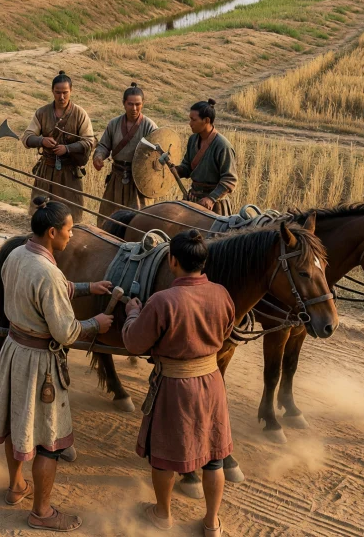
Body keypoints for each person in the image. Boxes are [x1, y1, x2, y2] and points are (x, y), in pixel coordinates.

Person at [0, 197, 113, 532]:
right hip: (40, 364)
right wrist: (96, 324)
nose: (72, 236)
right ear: (53, 232)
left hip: (15, 351)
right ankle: (41, 512)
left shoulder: (15, 254)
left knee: (17, 424)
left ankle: (16, 487)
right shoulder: (49, 273)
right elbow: (67, 332)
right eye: (69, 231)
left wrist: (87, 287)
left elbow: (44, 290)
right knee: (48, 441)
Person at [122, 229, 235, 536]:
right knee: (214, 456)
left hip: (174, 386)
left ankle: (162, 514)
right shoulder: (222, 294)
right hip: (212, 383)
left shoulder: (162, 301)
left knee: (164, 454)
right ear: (203, 262)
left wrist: (133, 313)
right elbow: (226, 333)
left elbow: (134, 343)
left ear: (172, 261)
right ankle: (212, 523)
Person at [22, 71, 95, 223]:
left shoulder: (80, 114)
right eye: (58, 92)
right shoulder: (42, 112)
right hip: (46, 171)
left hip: (70, 173)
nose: (61, 97)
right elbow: (27, 138)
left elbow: (89, 141)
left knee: (70, 219)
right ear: (52, 91)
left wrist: (67, 149)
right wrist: (42, 141)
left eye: (65, 93)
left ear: (71, 91)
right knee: (42, 216)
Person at [92, 83, 159, 215]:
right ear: (124, 103)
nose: (134, 108)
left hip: (138, 182)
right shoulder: (114, 123)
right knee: (109, 219)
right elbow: (104, 145)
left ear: (143, 104)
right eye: (130, 104)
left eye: (137, 104)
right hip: (116, 179)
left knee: (138, 221)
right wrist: (98, 156)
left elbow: (156, 156)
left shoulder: (149, 126)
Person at [176, 99, 237, 215]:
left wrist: (211, 198)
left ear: (207, 120)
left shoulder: (222, 146)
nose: (190, 123)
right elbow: (188, 166)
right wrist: (177, 170)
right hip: (193, 200)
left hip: (214, 206)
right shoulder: (192, 140)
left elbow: (230, 180)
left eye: (194, 120)